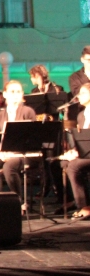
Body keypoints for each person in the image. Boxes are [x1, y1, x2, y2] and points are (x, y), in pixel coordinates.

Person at [0, 80, 36, 202]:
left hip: (23, 153)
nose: (15, 95)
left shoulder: (28, 111)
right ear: (5, 94)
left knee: (9, 167)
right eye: (12, 92)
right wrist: (0, 152)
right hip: (5, 153)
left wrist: (12, 153)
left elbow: (31, 138)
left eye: (18, 92)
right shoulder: (0, 115)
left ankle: (18, 201)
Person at [62, 83, 90, 219]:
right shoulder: (81, 115)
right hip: (85, 153)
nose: (79, 96)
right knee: (64, 163)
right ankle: (79, 200)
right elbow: (81, 139)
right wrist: (74, 151)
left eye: (83, 93)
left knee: (74, 166)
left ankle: (83, 207)